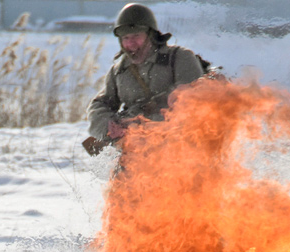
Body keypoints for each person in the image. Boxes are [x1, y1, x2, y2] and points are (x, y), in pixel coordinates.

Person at [86, 3, 207, 150]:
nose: (131, 43)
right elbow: (99, 105)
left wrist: (137, 126)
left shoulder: (179, 58)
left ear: (150, 35)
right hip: (134, 152)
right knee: (91, 147)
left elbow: (193, 105)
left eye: (136, 36)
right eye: (125, 38)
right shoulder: (118, 71)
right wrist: (108, 127)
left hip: (179, 148)